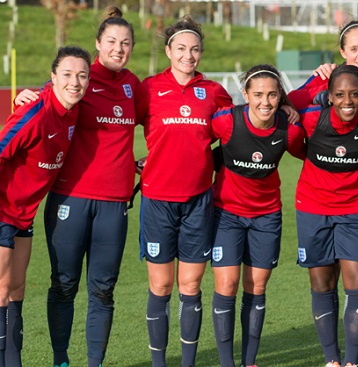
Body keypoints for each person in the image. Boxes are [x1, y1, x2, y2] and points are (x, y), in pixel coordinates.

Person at [15, 8, 139, 367]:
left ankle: (95, 363)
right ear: (98, 43)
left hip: (114, 204)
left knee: (103, 290)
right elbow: (46, 103)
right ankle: (60, 360)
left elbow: (165, 116)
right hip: (71, 199)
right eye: (112, 41)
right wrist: (24, 96)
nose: (118, 48)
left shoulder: (134, 86)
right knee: (64, 284)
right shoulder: (80, 78)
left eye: (125, 43)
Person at [289, 21, 358, 367]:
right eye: (354, 49)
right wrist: (320, 88)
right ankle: (336, 359)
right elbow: (290, 106)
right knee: (327, 279)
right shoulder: (323, 85)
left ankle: (357, 356)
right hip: (323, 199)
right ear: (342, 53)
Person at [134, 16, 233, 367]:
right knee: (160, 288)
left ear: (201, 52)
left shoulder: (214, 92)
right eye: (181, 48)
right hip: (158, 200)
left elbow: (239, 132)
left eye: (194, 49)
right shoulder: (148, 89)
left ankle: (188, 363)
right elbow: (112, 124)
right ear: (168, 51)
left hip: (198, 201)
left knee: (190, 287)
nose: (188, 55)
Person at [0, 46, 90, 367]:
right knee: (0, 290)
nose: (74, 82)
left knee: (17, 289)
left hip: (25, 214)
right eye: (66, 75)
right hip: (2, 210)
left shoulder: (75, 109)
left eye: (81, 75)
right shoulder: (35, 112)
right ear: (53, 78)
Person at [208, 64, 304, 367]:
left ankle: (249, 362)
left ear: (280, 98)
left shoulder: (289, 130)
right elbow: (188, 141)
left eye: (272, 95)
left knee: (257, 287)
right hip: (226, 214)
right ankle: (227, 363)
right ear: (245, 95)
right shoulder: (225, 122)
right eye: (258, 94)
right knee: (226, 285)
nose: (265, 101)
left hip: (266, 217)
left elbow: (312, 153)